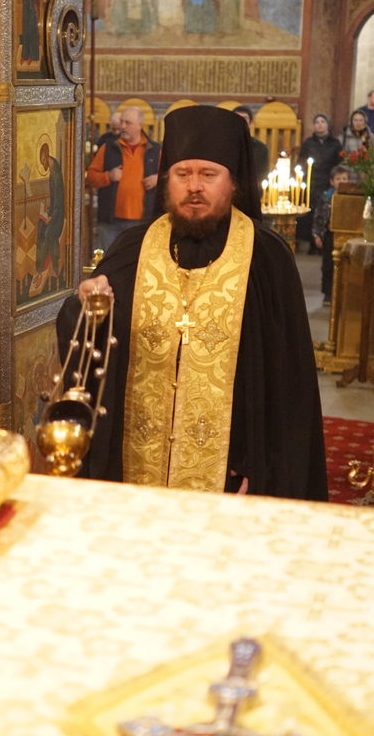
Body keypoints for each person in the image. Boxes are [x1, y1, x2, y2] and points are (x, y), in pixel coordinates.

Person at [57, 105, 328, 501]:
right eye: (183, 174)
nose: (194, 186)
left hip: (232, 476)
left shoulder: (266, 259)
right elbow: (86, 344)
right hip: (133, 472)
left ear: (233, 183)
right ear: (168, 181)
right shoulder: (133, 249)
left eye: (208, 175)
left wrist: (261, 466)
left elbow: (289, 385)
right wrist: (88, 307)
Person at [86, 106, 161, 253]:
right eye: (122, 122)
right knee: (107, 261)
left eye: (128, 123)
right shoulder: (108, 148)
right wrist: (108, 176)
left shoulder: (155, 150)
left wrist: (157, 179)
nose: (123, 126)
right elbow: (91, 177)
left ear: (140, 125)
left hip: (142, 222)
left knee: (136, 262)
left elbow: (170, 177)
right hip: (110, 222)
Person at [297, 113, 343, 251]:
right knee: (310, 213)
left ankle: (324, 243)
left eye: (323, 121)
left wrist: (335, 179)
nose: (320, 124)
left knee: (325, 214)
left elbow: (339, 163)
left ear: (328, 124)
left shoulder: (335, 144)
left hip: (328, 182)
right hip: (312, 182)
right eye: (317, 122)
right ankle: (312, 243)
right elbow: (302, 161)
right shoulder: (309, 143)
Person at [312, 164, 350, 306]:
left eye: (344, 179)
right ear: (332, 182)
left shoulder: (351, 197)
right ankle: (328, 293)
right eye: (338, 179)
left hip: (345, 235)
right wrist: (317, 235)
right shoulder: (326, 197)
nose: (341, 182)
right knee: (328, 265)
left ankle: (342, 293)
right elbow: (318, 216)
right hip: (329, 235)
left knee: (344, 264)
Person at [32, 143, 65, 295]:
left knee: (47, 234)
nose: (42, 164)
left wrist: (51, 217)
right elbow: (55, 201)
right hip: (54, 213)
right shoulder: (53, 172)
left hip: (58, 218)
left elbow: (60, 203)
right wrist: (47, 211)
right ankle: (38, 270)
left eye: (43, 160)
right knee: (40, 228)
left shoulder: (56, 175)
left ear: (46, 157)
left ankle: (45, 269)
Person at [232, 105, 270, 185]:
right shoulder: (223, 146)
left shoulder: (261, 149)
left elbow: (262, 175)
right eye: (237, 118)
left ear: (251, 123)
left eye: (244, 119)